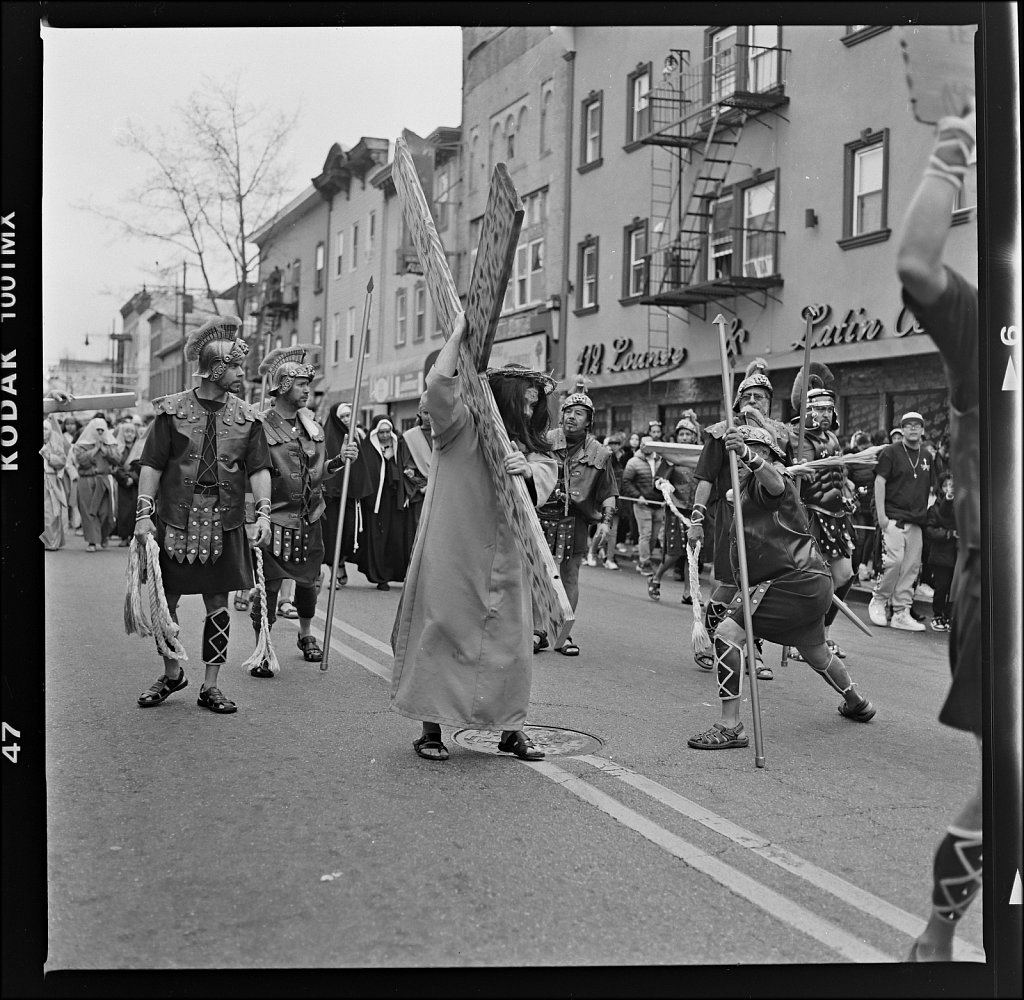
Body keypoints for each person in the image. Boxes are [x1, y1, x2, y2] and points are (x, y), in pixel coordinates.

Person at [390, 313, 557, 763]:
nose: (527, 410)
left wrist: (528, 474)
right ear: (501, 400)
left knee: (511, 646)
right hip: (454, 551)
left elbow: (545, 475)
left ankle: (510, 729)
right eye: (521, 402)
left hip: (507, 562)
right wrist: (458, 334)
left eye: (534, 404)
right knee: (441, 633)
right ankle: (430, 729)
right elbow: (439, 386)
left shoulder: (536, 448)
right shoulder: (459, 426)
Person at [896, 101, 983, 960]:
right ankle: (937, 934)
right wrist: (955, 141)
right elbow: (918, 261)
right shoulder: (994, 329)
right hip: (1005, 588)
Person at [687, 424, 876, 750]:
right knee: (815, 651)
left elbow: (773, 483)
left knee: (728, 635)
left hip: (793, 582)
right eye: (742, 452)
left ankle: (730, 726)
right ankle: (856, 701)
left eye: (757, 451)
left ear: (773, 456)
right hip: (808, 583)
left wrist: (748, 455)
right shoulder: (744, 493)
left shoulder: (773, 483)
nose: (746, 458)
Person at [134, 316, 272, 715]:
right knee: (167, 600)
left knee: (219, 602)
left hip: (225, 519)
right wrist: (144, 515)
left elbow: (259, 469)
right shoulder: (171, 411)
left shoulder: (248, 417)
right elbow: (152, 465)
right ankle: (172, 672)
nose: (242, 374)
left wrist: (262, 514)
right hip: (177, 518)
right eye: (236, 367)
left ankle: (210, 686)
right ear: (215, 369)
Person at [247, 345, 359, 673]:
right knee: (268, 586)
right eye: (300, 385)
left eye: (308, 385)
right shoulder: (260, 425)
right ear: (283, 387)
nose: (307, 390)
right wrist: (252, 517)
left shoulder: (313, 429)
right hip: (275, 518)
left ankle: (306, 633)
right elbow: (251, 474)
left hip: (310, 517)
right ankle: (262, 645)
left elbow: (316, 474)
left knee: (310, 582)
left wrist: (338, 462)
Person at [687, 358, 788, 676]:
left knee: (760, 586)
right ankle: (711, 636)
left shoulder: (779, 438)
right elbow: (705, 478)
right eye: (749, 396)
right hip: (730, 517)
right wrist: (697, 519)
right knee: (731, 584)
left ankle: (753, 651)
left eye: (761, 397)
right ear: (738, 401)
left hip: (767, 520)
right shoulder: (721, 434)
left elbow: (787, 477)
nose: (754, 402)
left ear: (770, 404)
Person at [533, 378, 618, 657]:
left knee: (570, 574)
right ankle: (537, 630)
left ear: (588, 420)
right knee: (541, 575)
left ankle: (562, 633)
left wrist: (606, 522)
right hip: (542, 516)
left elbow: (608, 492)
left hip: (575, 520)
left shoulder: (600, 453)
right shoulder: (544, 441)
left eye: (578, 413)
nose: (571, 417)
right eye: (568, 411)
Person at [786, 364, 858, 660]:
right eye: (819, 409)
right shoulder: (800, 437)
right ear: (808, 411)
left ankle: (824, 634)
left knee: (845, 574)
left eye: (829, 409)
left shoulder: (834, 439)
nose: (826, 414)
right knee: (811, 579)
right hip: (812, 516)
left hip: (836, 517)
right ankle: (799, 639)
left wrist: (848, 492)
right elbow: (807, 474)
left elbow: (838, 476)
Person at [868, 411, 932, 631]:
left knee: (912, 567)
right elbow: (879, 482)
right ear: (902, 429)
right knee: (893, 562)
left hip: (917, 521)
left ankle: (901, 612)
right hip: (894, 518)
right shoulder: (891, 452)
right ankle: (879, 600)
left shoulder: (927, 456)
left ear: (923, 430)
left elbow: (931, 487)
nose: (913, 428)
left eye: (917, 425)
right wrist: (882, 516)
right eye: (908, 425)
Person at [647, 411, 701, 604]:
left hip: (696, 510)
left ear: (695, 437)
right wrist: (663, 484)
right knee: (674, 552)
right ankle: (656, 577)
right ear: (677, 436)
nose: (685, 437)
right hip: (676, 509)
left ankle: (689, 593)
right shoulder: (671, 456)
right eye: (682, 434)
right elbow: (658, 479)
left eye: (688, 434)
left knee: (692, 554)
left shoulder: (701, 456)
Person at [355, 415, 410, 591]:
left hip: (395, 502)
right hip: (375, 503)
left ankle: (394, 573)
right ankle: (380, 577)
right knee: (377, 539)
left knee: (394, 538)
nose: (385, 435)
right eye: (381, 432)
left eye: (388, 432)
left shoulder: (399, 447)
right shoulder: (367, 448)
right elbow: (363, 473)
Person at [321, 401, 370, 589]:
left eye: (349, 415)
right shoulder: (327, 436)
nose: (347, 419)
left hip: (351, 497)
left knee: (350, 533)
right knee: (333, 534)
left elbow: (363, 466)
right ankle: (334, 570)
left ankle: (341, 561)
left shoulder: (358, 436)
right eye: (343, 417)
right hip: (332, 498)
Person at [620, 435, 664, 576]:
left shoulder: (661, 461)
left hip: (658, 504)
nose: (646, 447)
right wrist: (637, 496)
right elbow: (626, 481)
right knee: (646, 534)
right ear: (640, 445)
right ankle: (645, 562)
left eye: (649, 444)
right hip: (642, 504)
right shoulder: (633, 462)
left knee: (654, 536)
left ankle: (645, 560)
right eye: (643, 444)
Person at [73, 416, 119, 552]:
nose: (99, 433)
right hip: (86, 480)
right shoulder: (81, 445)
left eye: (101, 430)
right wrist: (94, 450)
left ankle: (104, 536)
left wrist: (105, 452)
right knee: (88, 512)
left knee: (106, 512)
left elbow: (117, 460)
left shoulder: (111, 444)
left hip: (103, 480)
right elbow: (81, 461)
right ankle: (92, 542)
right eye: (96, 430)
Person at [586, 431, 626, 570]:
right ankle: (592, 553)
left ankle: (609, 558)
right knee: (600, 530)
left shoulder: (619, 471)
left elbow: (621, 488)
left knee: (612, 533)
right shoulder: (596, 468)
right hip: (600, 504)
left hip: (616, 503)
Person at [924, 472, 957, 632]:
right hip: (941, 555)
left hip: (956, 554)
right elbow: (930, 531)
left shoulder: (959, 506)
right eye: (945, 486)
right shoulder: (935, 508)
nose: (948, 489)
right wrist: (948, 534)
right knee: (941, 587)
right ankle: (937, 614)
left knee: (953, 589)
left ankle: (949, 616)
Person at [397, 401, 432, 548]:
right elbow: (407, 470)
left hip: (444, 490)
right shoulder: (410, 437)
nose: (430, 417)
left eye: (433, 412)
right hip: (420, 493)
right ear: (419, 413)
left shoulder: (446, 434)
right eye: (426, 413)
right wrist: (424, 487)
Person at [845, 430, 877, 582]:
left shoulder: (872, 460)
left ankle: (858, 571)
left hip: (869, 504)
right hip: (861, 505)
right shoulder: (856, 461)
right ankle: (856, 571)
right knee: (862, 538)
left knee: (866, 539)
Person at [40, 417, 69, 550]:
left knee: (51, 512)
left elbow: (62, 461)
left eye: (46, 429)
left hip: (51, 481)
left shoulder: (55, 445)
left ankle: (51, 541)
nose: (43, 432)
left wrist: (49, 456)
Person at [112, 419, 141, 546]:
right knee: (123, 511)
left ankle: (134, 537)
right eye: (126, 432)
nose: (129, 434)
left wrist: (133, 478)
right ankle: (124, 537)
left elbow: (142, 466)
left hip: (136, 484)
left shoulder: (141, 448)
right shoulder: (118, 449)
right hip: (123, 485)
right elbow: (116, 467)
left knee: (136, 509)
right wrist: (125, 479)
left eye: (132, 432)